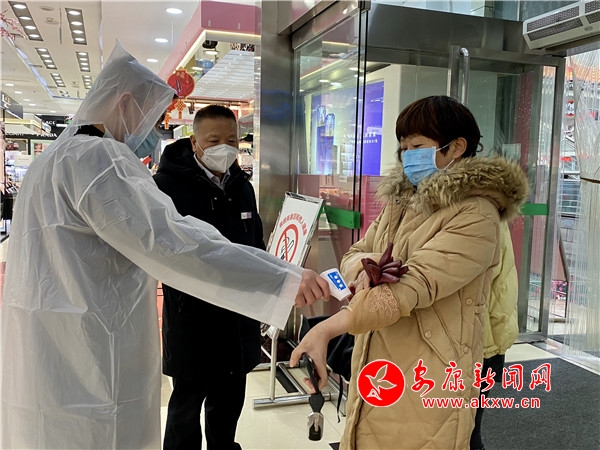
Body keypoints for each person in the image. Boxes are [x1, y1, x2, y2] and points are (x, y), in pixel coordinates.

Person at [0, 42, 329, 450]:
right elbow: (176, 244)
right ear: (124, 102)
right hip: (94, 350)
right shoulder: (100, 161)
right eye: (150, 117)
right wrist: (281, 278)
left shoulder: (53, 159)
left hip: (52, 349)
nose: (148, 132)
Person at [291, 95, 529, 449]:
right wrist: (374, 267)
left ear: (456, 147)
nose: (408, 157)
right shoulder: (404, 201)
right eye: (403, 148)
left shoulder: (477, 213)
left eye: (417, 146)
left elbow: (410, 287)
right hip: (381, 352)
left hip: (433, 364)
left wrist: (328, 327)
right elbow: (355, 254)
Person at [153, 105, 263, 450]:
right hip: (192, 318)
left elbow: (256, 244)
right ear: (194, 141)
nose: (224, 149)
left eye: (231, 141)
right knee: (185, 409)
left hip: (238, 316)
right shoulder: (166, 187)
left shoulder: (242, 186)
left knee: (228, 405)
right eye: (214, 141)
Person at [470, 220, 519, 450]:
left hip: (477, 339)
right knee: (469, 425)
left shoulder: (485, 214)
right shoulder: (494, 213)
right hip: (484, 338)